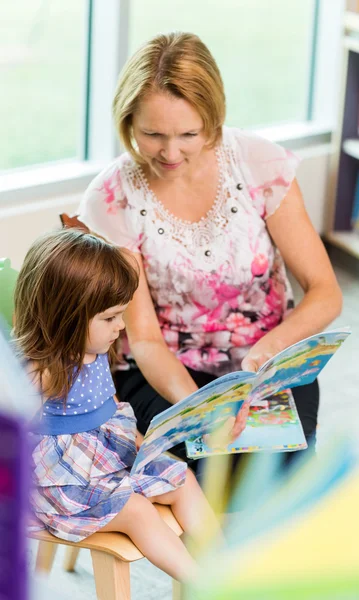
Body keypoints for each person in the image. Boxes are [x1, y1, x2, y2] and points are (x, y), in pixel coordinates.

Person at [78, 32, 343, 467]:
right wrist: (200, 406)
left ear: (213, 117)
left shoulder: (259, 164)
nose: (170, 151)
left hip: (266, 361)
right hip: (165, 371)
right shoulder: (111, 197)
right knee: (200, 467)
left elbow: (325, 292)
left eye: (188, 133)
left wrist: (263, 356)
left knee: (281, 467)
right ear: (127, 121)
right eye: (152, 134)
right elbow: (143, 338)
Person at [14, 228, 219, 583]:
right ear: (66, 315)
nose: (120, 326)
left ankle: (227, 562)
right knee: (138, 511)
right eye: (110, 318)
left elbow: (111, 407)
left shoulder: (94, 348)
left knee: (182, 476)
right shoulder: (44, 372)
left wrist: (142, 442)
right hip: (64, 482)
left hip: (106, 456)